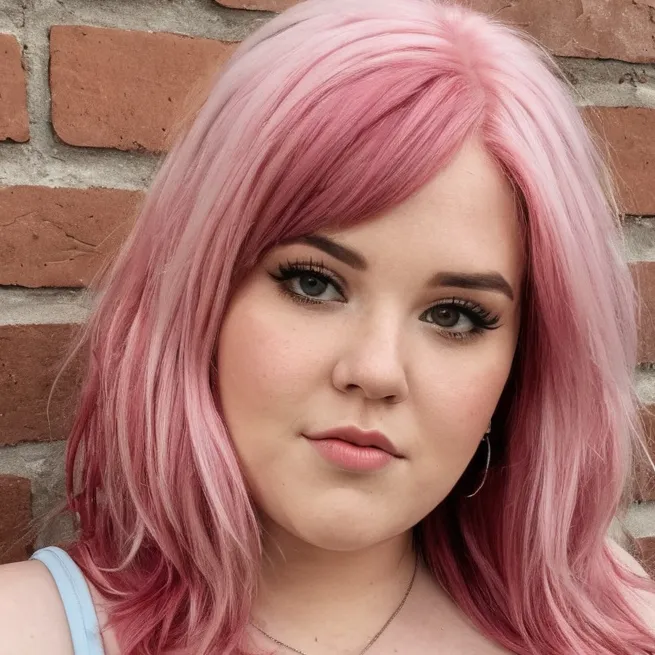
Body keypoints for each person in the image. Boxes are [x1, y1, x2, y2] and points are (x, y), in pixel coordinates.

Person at [1, 0, 655, 652]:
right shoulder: (27, 630)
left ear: (523, 363)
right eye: (313, 282)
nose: (374, 370)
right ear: (203, 294)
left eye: (453, 315)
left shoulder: (614, 627)